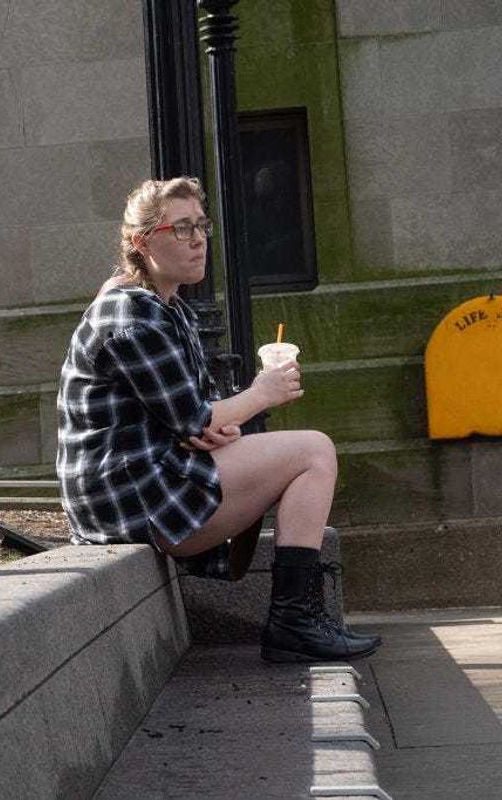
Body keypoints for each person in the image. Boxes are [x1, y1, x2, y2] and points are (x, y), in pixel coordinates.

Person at [55, 176, 379, 662]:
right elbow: (191, 418)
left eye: (201, 226)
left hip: (146, 483)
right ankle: (294, 621)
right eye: (181, 229)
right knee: (314, 451)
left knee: (305, 450)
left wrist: (220, 424)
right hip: (128, 502)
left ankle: (299, 618)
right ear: (142, 243)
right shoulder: (129, 317)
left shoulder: (168, 307)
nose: (198, 239)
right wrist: (259, 395)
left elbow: (197, 416)